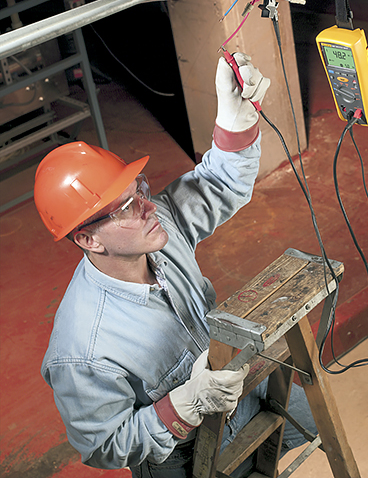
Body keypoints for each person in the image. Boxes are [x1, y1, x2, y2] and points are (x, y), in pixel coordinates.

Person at [36, 52, 317, 477]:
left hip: (246, 391)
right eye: (126, 208)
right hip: (186, 456)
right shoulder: (82, 350)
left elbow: (217, 183)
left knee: (314, 421)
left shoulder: (156, 227)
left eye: (139, 190)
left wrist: (235, 120)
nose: (148, 206)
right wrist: (182, 405)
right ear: (88, 239)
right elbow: (105, 447)